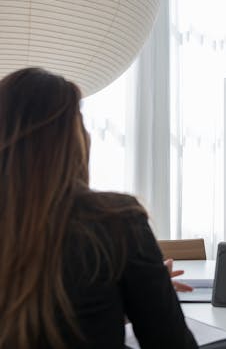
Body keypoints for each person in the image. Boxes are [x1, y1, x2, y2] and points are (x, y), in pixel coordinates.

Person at [0, 68, 197, 349]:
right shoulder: (115, 220)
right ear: (70, 141)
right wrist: (151, 298)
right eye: (81, 124)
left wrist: (118, 299)